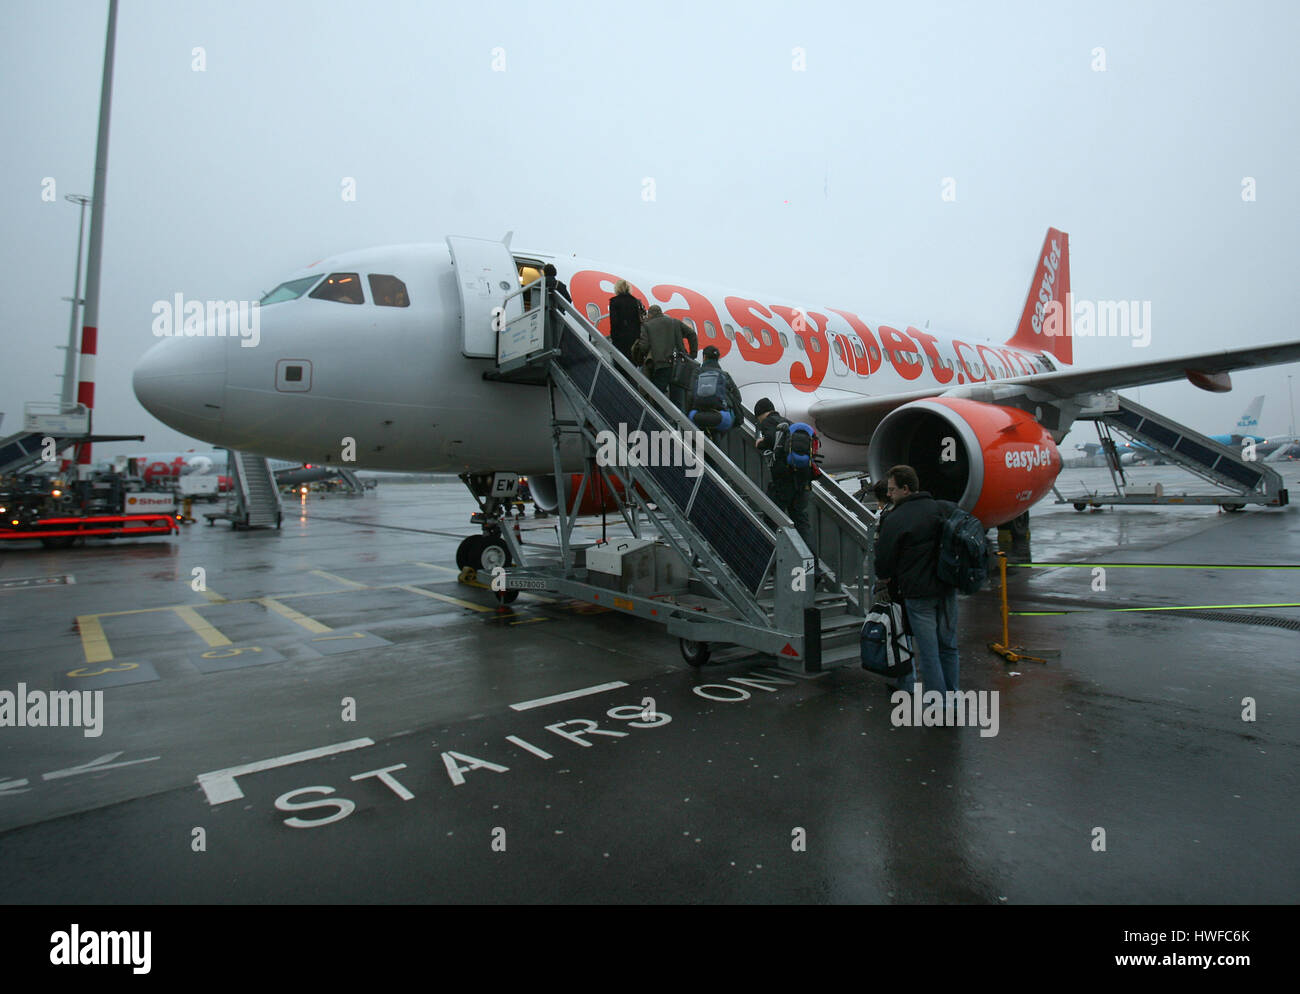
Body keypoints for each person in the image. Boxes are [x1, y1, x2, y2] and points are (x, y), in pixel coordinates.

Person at [873, 464, 959, 696]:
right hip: (947, 588)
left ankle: (938, 705)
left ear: (906, 489)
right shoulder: (941, 508)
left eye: (892, 489)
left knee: (929, 653)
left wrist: (887, 581)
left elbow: (883, 564)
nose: (888, 494)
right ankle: (952, 698)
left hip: (918, 593)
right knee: (949, 648)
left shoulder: (896, 518)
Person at [754, 397, 812, 546]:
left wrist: (761, 442)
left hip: (783, 481)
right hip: (801, 479)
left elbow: (772, 440)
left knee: (771, 518)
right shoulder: (787, 422)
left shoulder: (768, 422)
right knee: (800, 522)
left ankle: (770, 558)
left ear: (760, 414)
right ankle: (812, 564)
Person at [637, 304, 697, 396]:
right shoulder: (674, 322)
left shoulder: (647, 326)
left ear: (650, 315)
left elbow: (644, 346)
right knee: (678, 400)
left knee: (658, 398)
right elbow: (692, 334)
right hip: (679, 365)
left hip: (661, 365)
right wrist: (692, 355)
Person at [687, 346, 742, 434]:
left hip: (698, 417)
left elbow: (689, 395)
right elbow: (738, 398)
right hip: (721, 419)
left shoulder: (697, 372)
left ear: (704, 357)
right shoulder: (725, 375)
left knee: (693, 419)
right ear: (718, 359)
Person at [608, 280, 645, 363]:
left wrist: (614, 339)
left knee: (620, 366)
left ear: (617, 288)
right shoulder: (636, 301)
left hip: (620, 340)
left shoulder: (614, 301)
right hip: (634, 339)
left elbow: (614, 323)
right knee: (633, 365)